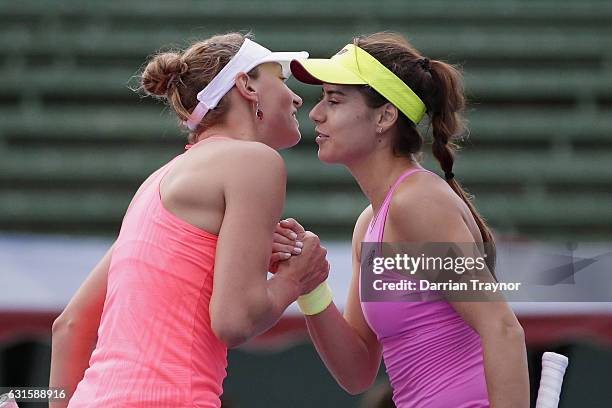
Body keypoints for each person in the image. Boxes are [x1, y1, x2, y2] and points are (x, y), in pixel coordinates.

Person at [49, 32, 330, 408]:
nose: (296, 97)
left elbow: (69, 326)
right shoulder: (254, 161)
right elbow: (234, 320)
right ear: (245, 85)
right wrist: (296, 278)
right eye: (280, 80)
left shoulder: (156, 184)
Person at [274, 32, 530, 407]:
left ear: (385, 116)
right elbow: (357, 370)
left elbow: (503, 329)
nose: (316, 113)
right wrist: (309, 285)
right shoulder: (373, 220)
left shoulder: (417, 202)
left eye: (334, 99)